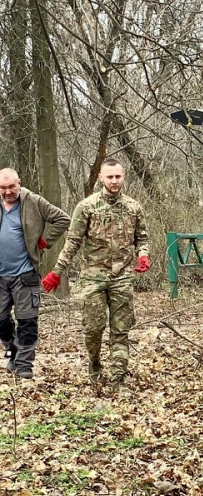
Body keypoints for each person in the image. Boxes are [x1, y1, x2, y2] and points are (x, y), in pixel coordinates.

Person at [42, 159, 149, 387]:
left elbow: (142, 239)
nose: (114, 181)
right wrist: (57, 271)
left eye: (117, 177)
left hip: (122, 277)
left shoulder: (133, 207)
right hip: (93, 277)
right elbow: (73, 242)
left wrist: (143, 255)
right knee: (93, 329)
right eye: (109, 177)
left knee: (121, 330)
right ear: (101, 177)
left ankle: (118, 379)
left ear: (123, 177)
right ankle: (94, 363)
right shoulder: (87, 207)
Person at [0, 169, 69, 378]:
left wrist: (45, 240)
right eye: (3, 188)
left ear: (19, 183)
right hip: (0, 276)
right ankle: (12, 353)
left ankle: (24, 366)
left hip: (25, 274)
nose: (7, 192)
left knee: (27, 321)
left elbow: (62, 219)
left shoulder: (33, 202)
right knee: (1, 320)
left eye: (11, 187)